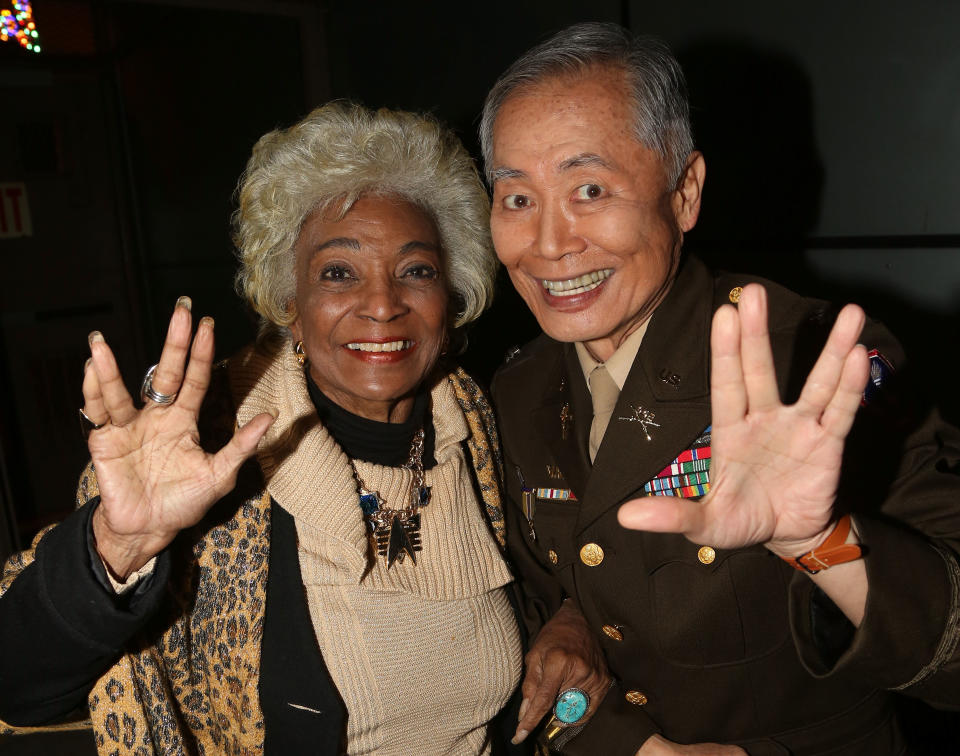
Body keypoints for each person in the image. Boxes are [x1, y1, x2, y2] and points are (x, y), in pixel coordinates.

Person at [0, 102, 541, 755]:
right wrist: (119, 543)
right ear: (289, 303)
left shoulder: (475, 423)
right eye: (338, 271)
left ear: (452, 298)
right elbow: (17, 686)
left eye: (416, 270)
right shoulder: (208, 456)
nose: (382, 303)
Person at [482, 21, 960, 755]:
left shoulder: (812, 365)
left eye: (589, 188)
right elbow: (524, 611)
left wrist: (817, 540)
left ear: (684, 194)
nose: (548, 243)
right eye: (516, 199)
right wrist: (617, 733)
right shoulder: (516, 389)